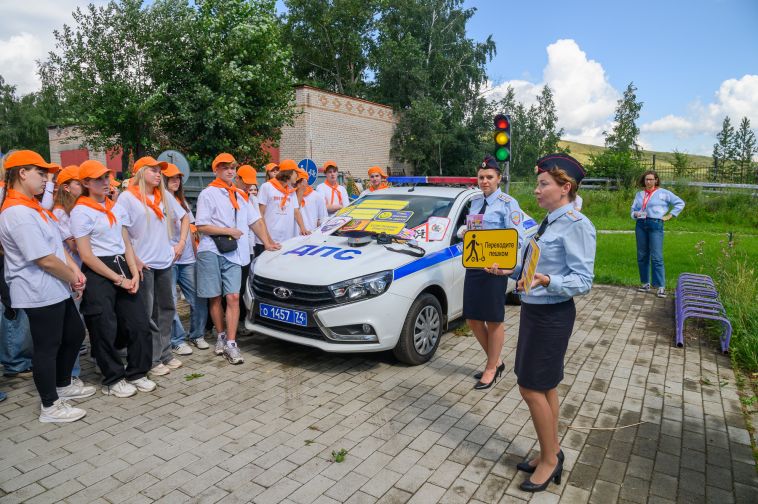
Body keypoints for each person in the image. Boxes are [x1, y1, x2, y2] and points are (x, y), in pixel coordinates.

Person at [504, 153, 596, 492]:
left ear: (565, 187)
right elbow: (535, 264)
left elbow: (583, 280)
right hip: (534, 310)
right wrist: (509, 270)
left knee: (530, 387)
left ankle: (549, 460)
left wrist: (547, 283)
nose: (537, 190)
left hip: (552, 314)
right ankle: (551, 450)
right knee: (545, 387)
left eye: (544, 184)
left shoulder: (576, 225)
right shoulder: (551, 220)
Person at [0, 150, 93, 423]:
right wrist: (72, 276)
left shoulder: (33, 207)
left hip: (55, 286)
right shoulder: (16, 212)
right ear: (22, 173)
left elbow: (57, 246)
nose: (45, 180)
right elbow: (43, 258)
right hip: (37, 290)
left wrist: (74, 270)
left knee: (74, 333)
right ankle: (50, 406)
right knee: (47, 346)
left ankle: (64, 384)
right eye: (41, 174)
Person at [72, 159, 155, 397]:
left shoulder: (115, 206)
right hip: (100, 271)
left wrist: (133, 271)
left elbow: (125, 241)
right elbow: (86, 255)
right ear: (86, 183)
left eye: (106, 177)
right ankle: (112, 378)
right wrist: (118, 279)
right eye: (99, 179)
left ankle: (138, 372)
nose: (106, 182)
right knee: (104, 327)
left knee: (139, 323)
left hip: (122, 264)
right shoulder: (81, 211)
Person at [195, 153, 280, 365]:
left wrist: (267, 242)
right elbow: (201, 226)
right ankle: (221, 335)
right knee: (215, 296)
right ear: (216, 170)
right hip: (211, 249)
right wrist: (229, 231)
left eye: (232, 167)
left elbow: (256, 221)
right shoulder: (208, 193)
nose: (230, 171)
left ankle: (231, 343)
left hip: (233, 252)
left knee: (233, 296)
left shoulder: (241, 196)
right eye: (224, 168)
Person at [116, 156, 189, 376]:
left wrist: (181, 244)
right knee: (146, 314)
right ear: (140, 172)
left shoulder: (164, 196)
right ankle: (152, 358)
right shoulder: (127, 198)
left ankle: (164, 352)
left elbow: (185, 217)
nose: (159, 175)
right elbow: (121, 230)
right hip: (143, 265)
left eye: (160, 171)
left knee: (166, 309)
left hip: (164, 261)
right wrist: (134, 259)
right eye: (154, 170)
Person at [460, 155, 528, 390]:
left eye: (489, 177)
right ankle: (496, 361)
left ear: (499, 178)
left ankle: (491, 368)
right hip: (475, 264)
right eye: (481, 177)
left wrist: (510, 264)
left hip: (496, 269)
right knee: (472, 317)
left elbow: (517, 236)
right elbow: (475, 229)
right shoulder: (476, 202)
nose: (485, 181)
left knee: (493, 318)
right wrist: (465, 232)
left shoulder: (509, 203)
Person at [162, 163, 209, 355]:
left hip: (188, 259)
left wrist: (196, 252)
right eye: (171, 178)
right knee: (171, 302)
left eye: (178, 178)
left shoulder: (182, 201)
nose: (176, 181)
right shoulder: (160, 201)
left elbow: (192, 229)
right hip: (170, 259)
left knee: (198, 298)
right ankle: (177, 340)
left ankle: (196, 334)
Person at [631, 170, 684, 298]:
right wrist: (635, 214)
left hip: (655, 224)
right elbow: (633, 210)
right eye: (646, 179)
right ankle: (645, 283)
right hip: (641, 224)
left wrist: (670, 215)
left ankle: (660, 286)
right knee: (642, 255)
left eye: (651, 179)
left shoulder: (664, 193)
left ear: (656, 180)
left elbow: (680, 203)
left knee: (656, 256)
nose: (648, 181)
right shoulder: (639, 194)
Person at [258, 159, 310, 243]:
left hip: (287, 239)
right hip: (269, 239)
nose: (297, 176)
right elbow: (260, 214)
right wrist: (268, 239)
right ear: (289, 173)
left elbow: (296, 211)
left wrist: (303, 228)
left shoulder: (291, 190)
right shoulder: (267, 187)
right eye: (295, 173)